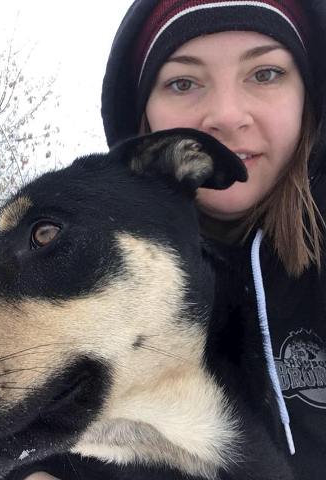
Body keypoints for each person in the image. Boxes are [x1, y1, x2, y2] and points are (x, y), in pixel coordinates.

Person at [23, 0, 326, 479]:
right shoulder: (85, 268)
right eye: (183, 83)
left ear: (309, 93)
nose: (227, 116)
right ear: (143, 117)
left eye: (265, 74)